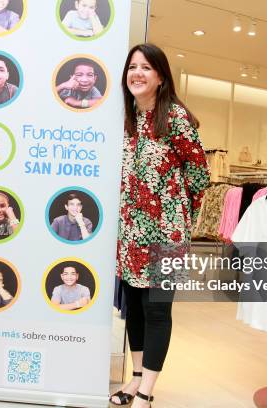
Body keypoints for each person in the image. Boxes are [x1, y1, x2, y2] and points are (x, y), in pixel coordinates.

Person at [111, 43, 210, 407]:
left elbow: (199, 176)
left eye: (146, 68)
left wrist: (176, 217)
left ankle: (148, 391)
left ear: (161, 77)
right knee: (133, 307)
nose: (137, 73)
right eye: (132, 66)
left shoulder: (176, 118)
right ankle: (135, 379)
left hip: (166, 232)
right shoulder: (125, 119)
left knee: (156, 309)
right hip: (129, 232)